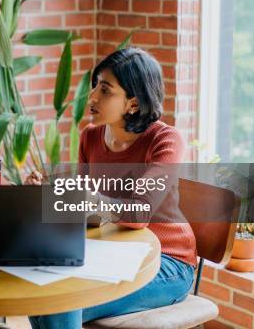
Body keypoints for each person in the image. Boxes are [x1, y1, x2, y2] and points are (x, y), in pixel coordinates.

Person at [26, 47, 197, 328]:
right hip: (111, 251)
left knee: (62, 301)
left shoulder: (165, 141)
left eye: (105, 90)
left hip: (166, 262)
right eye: (95, 85)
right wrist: (48, 193)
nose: (92, 96)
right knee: (42, 292)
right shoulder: (90, 137)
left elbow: (139, 213)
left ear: (133, 102)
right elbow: (84, 212)